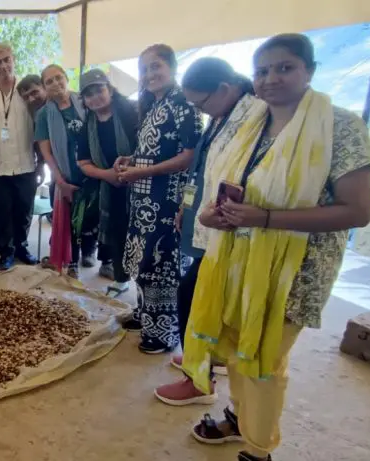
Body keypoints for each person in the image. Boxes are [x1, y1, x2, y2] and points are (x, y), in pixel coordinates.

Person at [183, 34, 370, 461]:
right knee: (237, 347)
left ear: (310, 71)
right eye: (262, 71)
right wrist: (211, 215)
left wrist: (266, 219)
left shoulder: (340, 126)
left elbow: (358, 210)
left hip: (297, 270)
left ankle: (258, 448)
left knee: (263, 358)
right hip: (236, 258)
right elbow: (227, 185)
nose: (270, 79)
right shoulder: (251, 123)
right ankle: (238, 418)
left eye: (284, 68)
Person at [152, 58, 260, 406]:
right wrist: (185, 207)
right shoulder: (220, 118)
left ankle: (199, 380)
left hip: (231, 229)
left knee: (191, 295)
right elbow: (199, 172)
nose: (199, 110)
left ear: (225, 89)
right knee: (200, 295)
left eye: (201, 103)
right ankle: (203, 356)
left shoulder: (254, 120)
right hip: (204, 220)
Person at [117, 44, 202, 354]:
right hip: (144, 201)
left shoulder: (184, 103)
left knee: (161, 262)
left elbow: (189, 157)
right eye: (144, 69)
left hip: (167, 202)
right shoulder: (154, 104)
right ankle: (146, 315)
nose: (149, 74)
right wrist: (131, 159)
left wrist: (141, 172)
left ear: (172, 68)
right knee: (144, 259)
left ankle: (163, 333)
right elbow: (156, 150)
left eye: (156, 67)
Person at [74, 69, 138, 296]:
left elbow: (150, 148)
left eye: (99, 90)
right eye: (88, 94)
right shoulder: (88, 125)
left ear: (110, 89)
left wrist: (132, 168)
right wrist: (107, 175)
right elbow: (83, 162)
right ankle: (121, 280)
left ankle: (144, 286)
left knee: (141, 237)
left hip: (141, 185)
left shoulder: (132, 112)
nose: (95, 98)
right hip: (110, 188)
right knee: (118, 235)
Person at [34, 64, 95, 277]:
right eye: (49, 81)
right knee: (71, 222)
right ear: (44, 87)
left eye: (58, 77)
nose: (55, 83)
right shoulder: (44, 114)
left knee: (91, 218)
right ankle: (72, 263)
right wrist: (59, 180)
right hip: (66, 176)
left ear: (66, 78)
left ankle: (92, 253)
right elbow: (46, 152)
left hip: (93, 172)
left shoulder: (85, 101)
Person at [0, 43, 39, 271]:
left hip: (26, 163)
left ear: (13, 60)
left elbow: (40, 125)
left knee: (25, 210)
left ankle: (22, 248)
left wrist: (42, 162)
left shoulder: (26, 91)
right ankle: (6, 253)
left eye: (7, 60)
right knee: (3, 213)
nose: (3, 66)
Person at [17, 74, 49, 186]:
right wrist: (41, 164)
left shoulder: (57, 106)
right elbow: (39, 143)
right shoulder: (34, 113)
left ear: (44, 87)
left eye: (34, 92)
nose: (31, 99)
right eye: (26, 97)